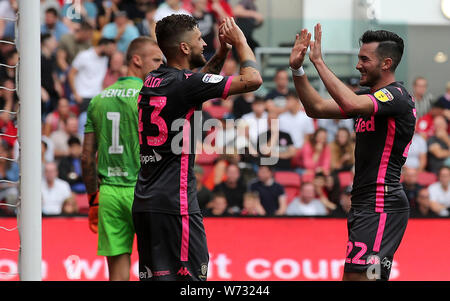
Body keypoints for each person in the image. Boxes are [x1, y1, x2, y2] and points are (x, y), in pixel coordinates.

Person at [132, 15, 262, 281]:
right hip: (175, 205)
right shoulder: (185, 84)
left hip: (146, 202)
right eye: (199, 39)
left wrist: (221, 51)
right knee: (191, 283)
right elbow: (253, 80)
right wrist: (240, 42)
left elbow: (197, 84)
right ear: (184, 48)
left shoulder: (153, 80)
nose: (204, 43)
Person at [289, 25, 415, 280]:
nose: (358, 65)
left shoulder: (397, 96)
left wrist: (319, 62)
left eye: (364, 59)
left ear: (386, 63)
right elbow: (316, 108)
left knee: (359, 279)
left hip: (382, 203)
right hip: (364, 203)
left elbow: (349, 103)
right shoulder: (369, 96)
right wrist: (298, 69)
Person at [81, 37, 164, 281]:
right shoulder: (150, 97)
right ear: (136, 60)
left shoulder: (98, 100)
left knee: (117, 273)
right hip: (144, 191)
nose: (161, 66)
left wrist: (93, 197)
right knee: (156, 268)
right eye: (156, 60)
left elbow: (87, 157)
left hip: (109, 193)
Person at [68, 37, 116, 113]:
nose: (112, 52)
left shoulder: (106, 59)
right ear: (103, 46)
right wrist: (75, 93)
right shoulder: (84, 55)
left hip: (98, 97)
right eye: (110, 49)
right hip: (83, 96)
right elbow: (71, 73)